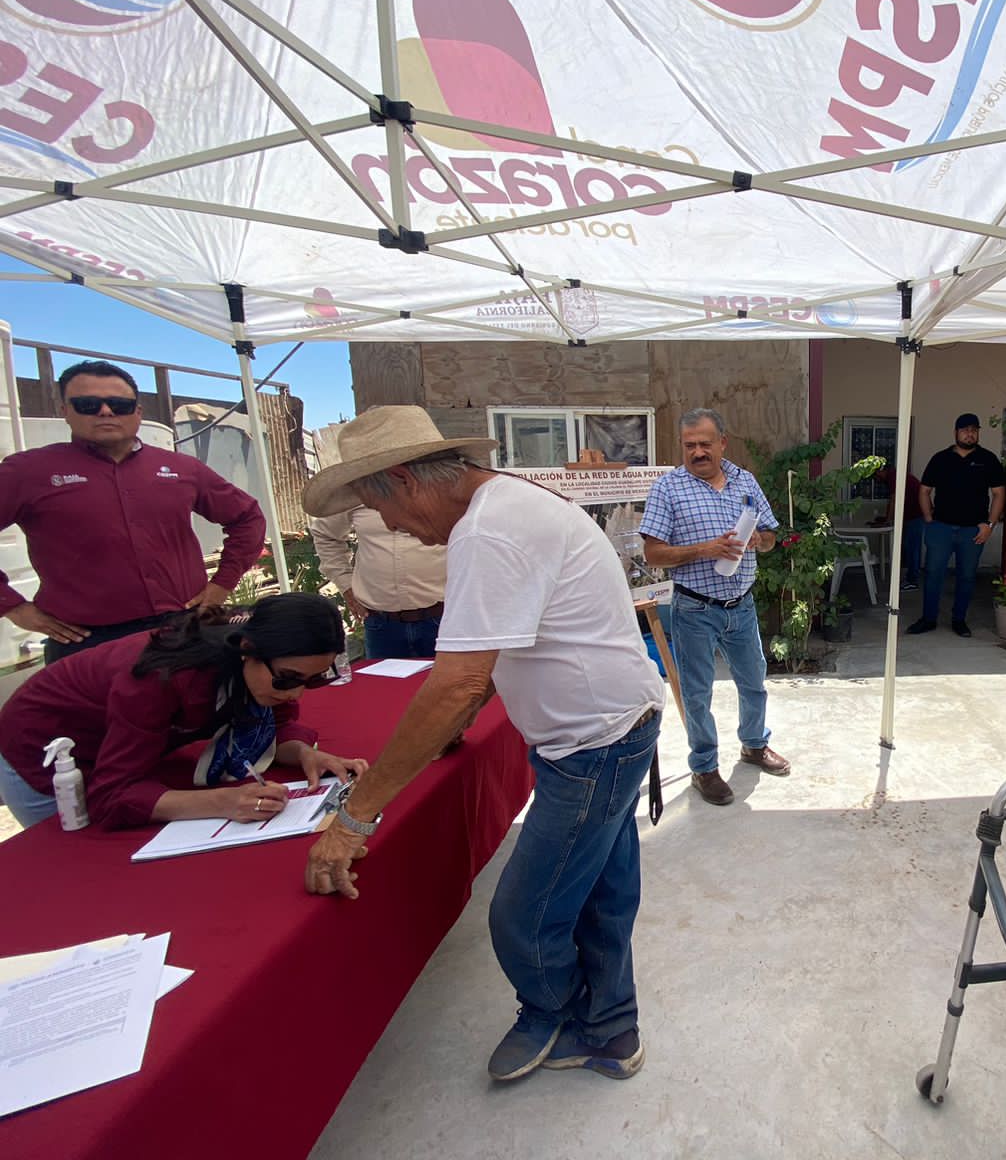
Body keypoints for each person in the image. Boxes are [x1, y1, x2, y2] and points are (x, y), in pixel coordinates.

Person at [298, 405, 666, 1082]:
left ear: (405, 482)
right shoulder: (502, 505)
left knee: (524, 918)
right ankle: (610, 1030)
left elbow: (460, 679)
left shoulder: (488, 528)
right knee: (598, 897)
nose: (400, 530)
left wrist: (354, 818)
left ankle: (559, 1015)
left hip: (593, 746)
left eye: (385, 515)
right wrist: (454, 719)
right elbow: (505, 649)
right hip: (613, 728)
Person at [0, 594, 360, 829]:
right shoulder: (162, 678)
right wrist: (223, 801)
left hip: (125, 749)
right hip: (46, 753)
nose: (295, 692)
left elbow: (274, 723)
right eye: (288, 679)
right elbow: (110, 796)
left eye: (312, 682)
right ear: (248, 649)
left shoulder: (259, 656)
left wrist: (304, 754)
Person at [0, 360, 266, 662]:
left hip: (185, 627)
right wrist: (13, 608)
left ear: (137, 412)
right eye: (88, 404)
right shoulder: (28, 471)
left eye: (119, 404)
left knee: (202, 709)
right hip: (88, 640)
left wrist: (222, 584)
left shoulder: (180, 468)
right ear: (65, 411)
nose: (105, 411)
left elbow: (247, 518)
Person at [640, 408, 787, 806]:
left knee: (754, 682)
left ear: (723, 442)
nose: (698, 452)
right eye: (690, 445)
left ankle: (754, 745)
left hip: (742, 606)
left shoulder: (745, 481)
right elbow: (653, 553)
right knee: (697, 693)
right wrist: (705, 550)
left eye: (706, 443)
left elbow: (772, 535)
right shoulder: (668, 488)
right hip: (695, 609)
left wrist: (760, 540)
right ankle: (704, 767)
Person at [906, 413, 1006, 638]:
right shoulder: (940, 459)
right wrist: (928, 519)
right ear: (956, 432)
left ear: (978, 433)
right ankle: (928, 618)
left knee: (967, 576)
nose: (969, 434)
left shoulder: (988, 460)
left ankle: (959, 620)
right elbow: (924, 490)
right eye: (965, 430)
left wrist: (990, 524)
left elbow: (999, 493)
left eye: (974, 430)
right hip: (940, 526)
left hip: (973, 530)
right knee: (932, 574)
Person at [310, 504, 447, 659]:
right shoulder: (356, 491)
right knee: (384, 682)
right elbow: (325, 535)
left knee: (453, 682)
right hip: (381, 623)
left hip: (443, 618)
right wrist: (346, 584)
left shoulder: (442, 487)